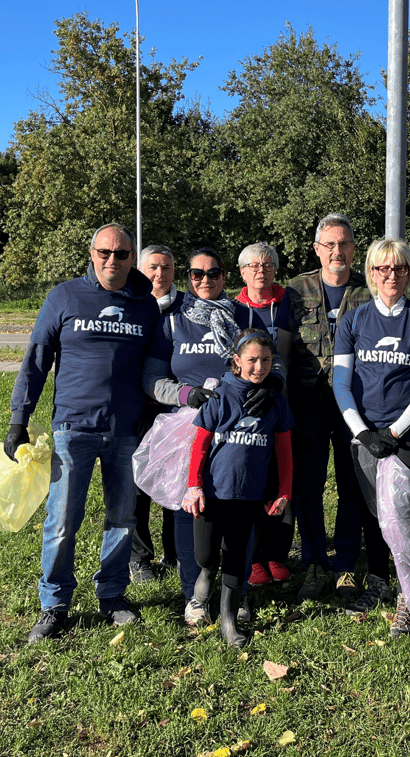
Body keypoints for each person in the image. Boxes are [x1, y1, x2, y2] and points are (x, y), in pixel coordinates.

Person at [6, 223, 160, 643]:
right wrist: (18, 419)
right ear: (91, 254)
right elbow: (36, 359)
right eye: (105, 252)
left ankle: (112, 595)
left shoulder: (145, 305)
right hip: (72, 429)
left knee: (122, 519)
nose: (113, 260)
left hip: (127, 431)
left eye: (123, 253)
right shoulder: (65, 297)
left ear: (133, 258)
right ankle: (55, 604)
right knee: (62, 521)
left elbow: (155, 368)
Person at [142, 247, 276, 625]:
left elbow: (271, 361)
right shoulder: (172, 320)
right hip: (189, 427)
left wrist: (273, 383)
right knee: (191, 508)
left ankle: (238, 593)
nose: (205, 280)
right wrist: (186, 394)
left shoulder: (243, 315)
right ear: (186, 277)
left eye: (213, 273)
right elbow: (150, 379)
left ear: (225, 277)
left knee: (240, 509)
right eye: (196, 274)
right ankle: (194, 596)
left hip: (240, 430)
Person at [333, 237, 410, 636]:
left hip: (408, 434)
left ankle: (408, 601)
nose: (391, 275)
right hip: (365, 433)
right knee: (374, 516)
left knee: (403, 515)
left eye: (399, 268)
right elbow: (341, 383)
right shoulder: (354, 320)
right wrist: (363, 432)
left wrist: (395, 431)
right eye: (382, 268)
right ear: (371, 273)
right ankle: (379, 582)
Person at [181, 330, 294, 647]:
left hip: (249, 496)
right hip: (212, 495)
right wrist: (194, 486)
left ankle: (228, 623)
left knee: (235, 559)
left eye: (266, 360)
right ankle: (204, 581)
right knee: (206, 556)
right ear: (236, 361)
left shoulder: (275, 402)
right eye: (252, 360)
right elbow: (199, 446)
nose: (259, 367)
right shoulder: (220, 396)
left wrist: (283, 490)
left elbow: (284, 452)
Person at [285, 214, 372, 602]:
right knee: (309, 486)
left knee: (352, 486)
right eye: (330, 244)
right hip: (307, 405)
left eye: (346, 243)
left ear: (355, 248)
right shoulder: (294, 291)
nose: (338, 251)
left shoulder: (370, 290)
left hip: (356, 405)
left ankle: (346, 565)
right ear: (317, 248)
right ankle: (315, 562)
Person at [233, 242, 296, 586]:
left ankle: (277, 553)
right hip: (247, 405)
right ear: (242, 272)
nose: (261, 270)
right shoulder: (233, 309)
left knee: (283, 476)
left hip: (283, 400)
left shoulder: (289, 301)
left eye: (268, 264)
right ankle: (255, 556)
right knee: (254, 478)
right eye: (254, 265)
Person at [129, 245, 182, 584]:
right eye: (152, 267)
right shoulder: (129, 302)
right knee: (137, 486)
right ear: (140, 269)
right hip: (134, 407)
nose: (159, 274)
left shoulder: (187, 307)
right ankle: (139, 558)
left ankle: (176, 552)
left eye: (165, 267)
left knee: (175, 480)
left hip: (174, 408)